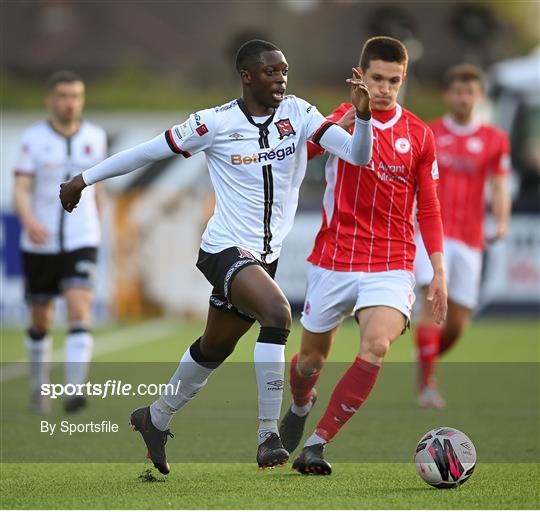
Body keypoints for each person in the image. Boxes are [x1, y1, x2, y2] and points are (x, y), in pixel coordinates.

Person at [59, 39, 373, 474]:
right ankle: (268, 435)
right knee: (279, 314)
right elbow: (150, 150)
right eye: (270, 72)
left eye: (284, 71)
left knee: (213, 348)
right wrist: (84, 179)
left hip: (266, 256)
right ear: (247, 76)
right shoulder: (214, 123)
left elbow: (359, 154)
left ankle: (155, 417)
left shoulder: (300, 114)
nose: (281, 78)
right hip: (223, 248)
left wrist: (364, 115)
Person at [277, 36, 448, 475]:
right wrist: (347, 117)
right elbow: (304, 152)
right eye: (377, 78)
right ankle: (300, 404)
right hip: (334, 259)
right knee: (310, 361)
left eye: (394, 80)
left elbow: (428, 207)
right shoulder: (340, 119)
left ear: (403, 79)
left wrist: (439, 270)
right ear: (360, 76)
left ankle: (317, 444)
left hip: (391, 263)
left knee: (375, 346)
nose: (386, 88)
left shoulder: (420, 135)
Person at [414, 64, 511, 408]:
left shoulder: (494, 139)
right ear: (447, 94)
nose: (464, 98)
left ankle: (425, 358)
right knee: (431, 304)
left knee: (456, 325)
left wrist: (500, 221)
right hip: (433, 235)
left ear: (480, 96)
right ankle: (427, 385)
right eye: (458, 91)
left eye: (470, 92)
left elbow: (500, 186)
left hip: (471, 238)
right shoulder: (430, 133)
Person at [13, 70, 107, 413]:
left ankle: (75, 389)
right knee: (41, 320)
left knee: (80, 306)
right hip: (41, 241)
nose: (70, 104)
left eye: (76, 96)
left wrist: (99, 222)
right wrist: (28, 220)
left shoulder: (95, 137)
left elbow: (100, 186)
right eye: (64, 96)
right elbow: (20, 188)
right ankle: (40, 389)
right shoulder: (32, 140)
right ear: (51, 100)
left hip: (83, 237)